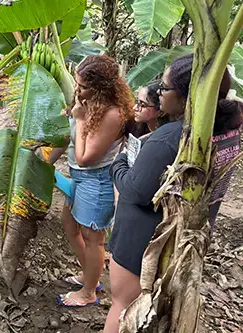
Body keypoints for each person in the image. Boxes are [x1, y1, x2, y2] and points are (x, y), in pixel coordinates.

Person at [104, 54, 241, 333]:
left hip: (144, 243)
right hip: (188, 241)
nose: (160, 93)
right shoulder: (229, 131)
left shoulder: (171, 136)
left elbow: (134, 189)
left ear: (184, 96)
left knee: (123, 307)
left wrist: (118, 163)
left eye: (164, 88)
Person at [57, 55, 134, 308]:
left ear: (102, 87)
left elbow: (86, 158)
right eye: (77, 84)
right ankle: (90, 275)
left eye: (83, 86)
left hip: (96, 180)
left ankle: (89, 291)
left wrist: (80, 120)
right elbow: (70, 141)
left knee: (93, 238)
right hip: (77, 177)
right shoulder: (84, 101)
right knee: (69, 225)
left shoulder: (112, 114)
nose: (77, 90)